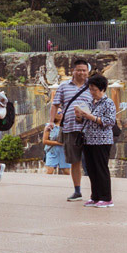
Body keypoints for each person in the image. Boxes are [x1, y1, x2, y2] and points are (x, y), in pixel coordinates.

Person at [73, 73, 117, 207]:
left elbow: (110, 121)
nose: (92, 92)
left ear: (102, 89)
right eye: (90, 89)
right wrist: (79, 116)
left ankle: (106, 197)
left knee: (101, 169)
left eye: (94, 89)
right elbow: (83, 121)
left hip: (102, 140)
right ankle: (95, 196)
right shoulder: (89, 102)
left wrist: (91, 117)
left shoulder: (108, 103)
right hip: (88, 139)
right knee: (91, 169)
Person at [52, 59, 92, 202]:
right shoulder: (63, 86)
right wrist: (51, 122)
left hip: (89, 129)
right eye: (79, 70)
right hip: (70, 128)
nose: (81, 72)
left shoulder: (92, 87)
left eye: (84, 70)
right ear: (73, 71)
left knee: (92, 161)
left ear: (88, 72)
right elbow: (55, 105)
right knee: (74, 161)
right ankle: (77, 191)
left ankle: (96, 192)